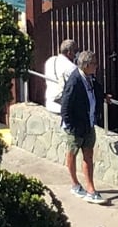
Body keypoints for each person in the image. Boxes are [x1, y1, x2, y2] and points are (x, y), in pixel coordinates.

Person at [58, 50, 107, 204]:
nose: (96, 66)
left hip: (88, 124)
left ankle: (90, 188)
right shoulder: (74, 82)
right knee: (72, 153)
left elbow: (97, 92)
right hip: (76, 127)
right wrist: (71, 127)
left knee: (88, 155)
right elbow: (65, 107)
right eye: (94, 64)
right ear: (86, 65)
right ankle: (75, 184)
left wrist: (104, 97)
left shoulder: (90, 78)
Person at [42, 39, 77, 114]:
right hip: (64, 107)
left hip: (50, 102)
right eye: (76, 51)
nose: (76, 54)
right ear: (69, 52)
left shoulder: (50, 61)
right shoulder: (71, 67)